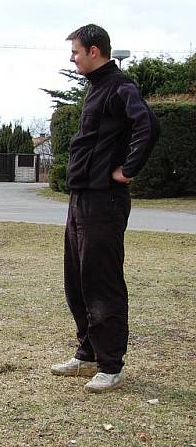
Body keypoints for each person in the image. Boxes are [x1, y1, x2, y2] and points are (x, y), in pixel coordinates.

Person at [51, 24, 159, 392]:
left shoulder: (119, 86)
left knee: (102, 282)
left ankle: (111, 365)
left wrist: (128, 170)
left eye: (76, 52)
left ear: (95, 51)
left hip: (105, 201)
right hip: (81, 198)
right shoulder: (97, 88)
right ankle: (88, 354)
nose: (72, 57)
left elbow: (148, 125)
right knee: (77, 280)